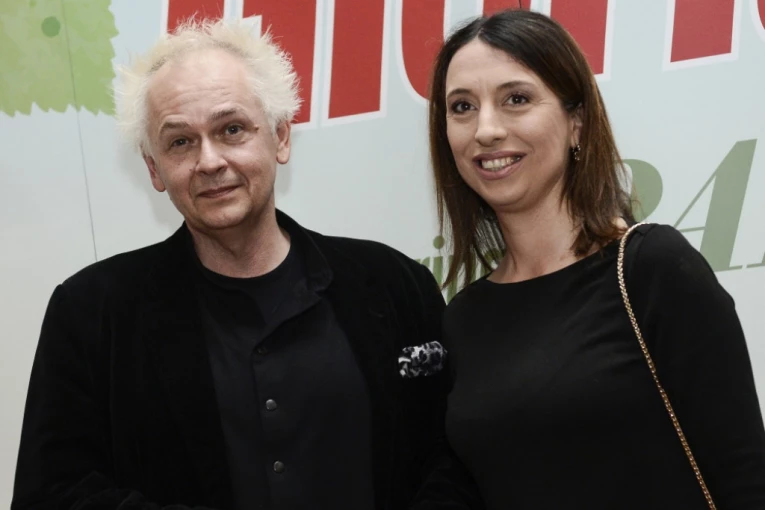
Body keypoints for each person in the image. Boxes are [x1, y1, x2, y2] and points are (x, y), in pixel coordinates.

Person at [12, 19, 480, 510]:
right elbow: (53, 494)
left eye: (231, 129)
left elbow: (452, 459)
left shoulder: (394, 284)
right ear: (153, 168)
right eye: (180, 142)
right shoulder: (91, 314)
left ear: (280, 137)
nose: (210, 161)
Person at [428, 8, 765, 509]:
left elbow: (745, 479)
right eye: (462, 107)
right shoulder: (464, 318)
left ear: (577, 123)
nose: (487, 129)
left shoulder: (652, 269)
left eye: (516, 99)